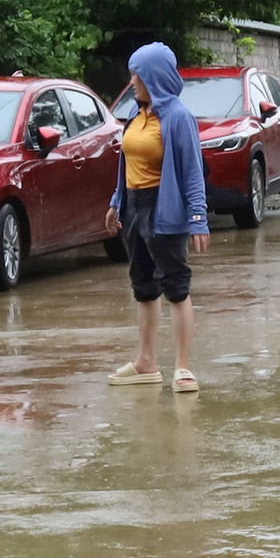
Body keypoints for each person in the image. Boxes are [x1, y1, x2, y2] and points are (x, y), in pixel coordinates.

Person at [103, 42, 209, 393]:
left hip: (165, 211)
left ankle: (182, 367)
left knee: (176, 287)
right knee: (143, 287)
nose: (132, 81)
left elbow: (193, 172)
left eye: (138, 74)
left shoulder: (178, 117)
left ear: (155, 77)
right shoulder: (135, 115)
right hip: (134, 208)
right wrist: (117, 202)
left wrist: (198, 218)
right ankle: (146, 362)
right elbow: (126, 164)